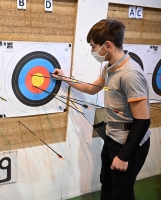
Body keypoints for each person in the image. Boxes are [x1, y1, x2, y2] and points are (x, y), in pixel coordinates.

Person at [52, 19, 151, 200]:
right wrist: (65, 78)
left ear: (107, 45)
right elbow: (90, 88)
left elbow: (143, 121)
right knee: (107, 183)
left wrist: (123, 155)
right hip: (113, 137)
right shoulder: (109, 67)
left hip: (130, 143)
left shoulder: (130, 74)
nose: (92, 51)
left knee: (121, 193)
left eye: (93, 46)